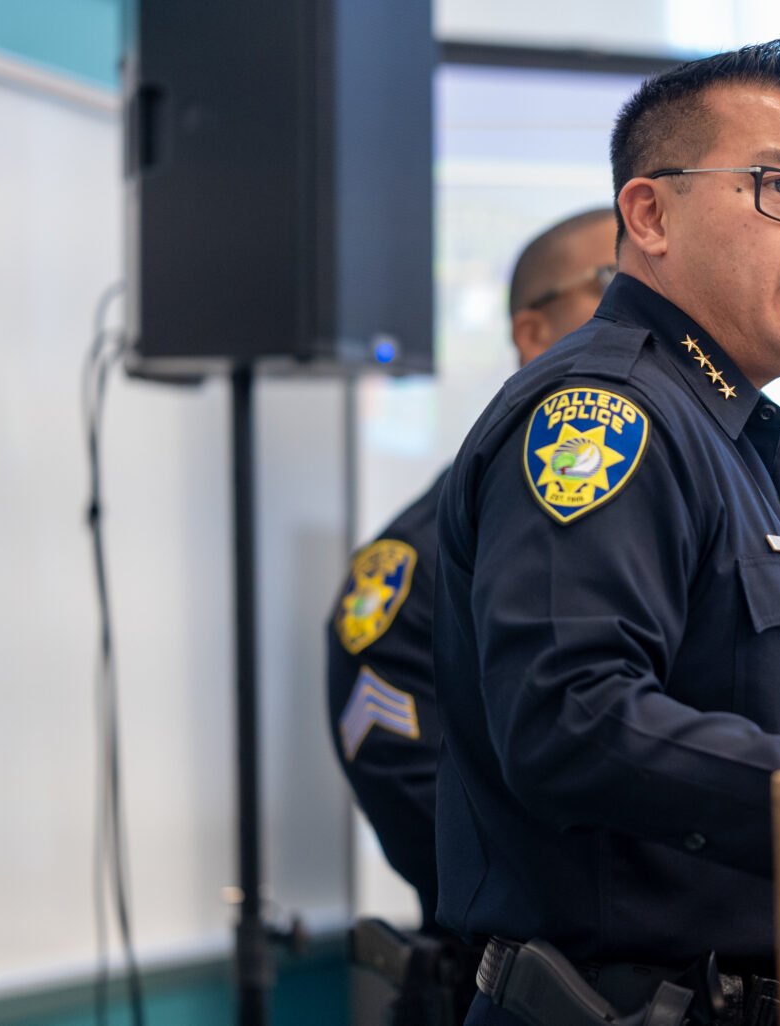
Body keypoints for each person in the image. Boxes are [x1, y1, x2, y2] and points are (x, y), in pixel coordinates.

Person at [434, 36, 780, 1026]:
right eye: (779, 187)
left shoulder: (730, 441)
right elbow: (570, 716)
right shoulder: (605, 410)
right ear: (650, 214)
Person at [326, 207, 617, 1026]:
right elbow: (400, 773)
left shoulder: (743, 513)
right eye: (612, 285)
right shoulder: (414, 561)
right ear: (532, 330)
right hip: (518, 987)